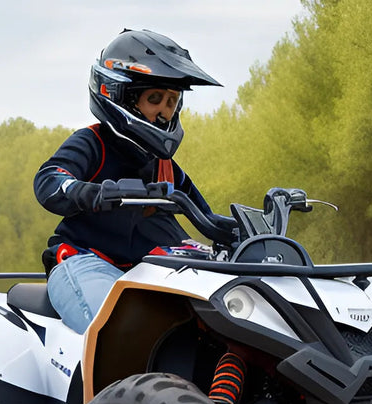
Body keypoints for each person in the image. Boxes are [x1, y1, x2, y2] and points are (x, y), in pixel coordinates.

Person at [34, 28, 235, 334]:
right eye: (155, 98)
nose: (164, 112)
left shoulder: (165, 166)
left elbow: (206, 217)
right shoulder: (92, 142)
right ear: (119, 95)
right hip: (87, 263)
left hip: (151, 270)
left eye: (171, 101)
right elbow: (50, 178)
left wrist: (243, 231)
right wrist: (94, 193)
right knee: (121, 334)